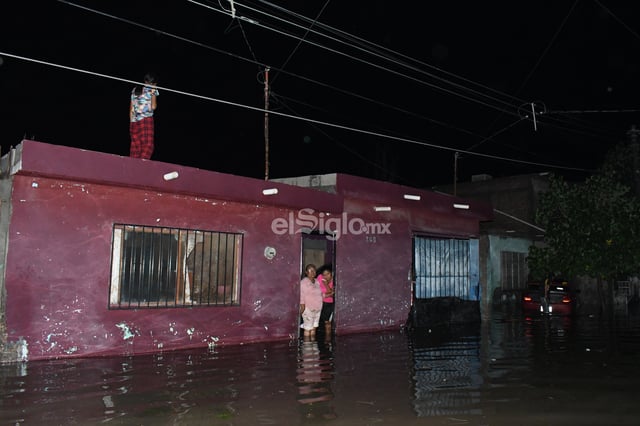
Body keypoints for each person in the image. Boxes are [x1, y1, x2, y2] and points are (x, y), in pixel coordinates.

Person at [129, 73, 159, 159]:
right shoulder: (152, 89)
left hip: (134, 122)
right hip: (146, 120)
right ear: (154, 83)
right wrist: (154, 90)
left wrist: (131, 122)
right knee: (148, 145)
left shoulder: (135, 90)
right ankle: (141, 166)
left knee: (136, 147)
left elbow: (131, 108)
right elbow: (153, 106)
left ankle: (133, 166)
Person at [300, 264, 323, 340]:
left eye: (314, 270)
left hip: (317, 308)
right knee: (307, 329)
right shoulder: (303, 282)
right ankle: (307, 349)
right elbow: (301, 295)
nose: (313, 272)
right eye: (311, 270)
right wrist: (302, 306)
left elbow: (320, 293)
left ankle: (313, 348)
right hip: (308, 309)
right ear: (306, 272)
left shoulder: (317, 281)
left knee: (314, 327)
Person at [317, 264, 335, 336]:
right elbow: (317, 291)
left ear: (331, 273)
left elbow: (333, 294)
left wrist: (325, 284)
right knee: (318, 322)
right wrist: (329, 293)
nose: (326, 276)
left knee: (327, 322)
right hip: (319, 302)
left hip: (329, 304)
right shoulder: (320, 277)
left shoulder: (334, 280)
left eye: (328, 274)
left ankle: (327, 340)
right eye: (324, 274)